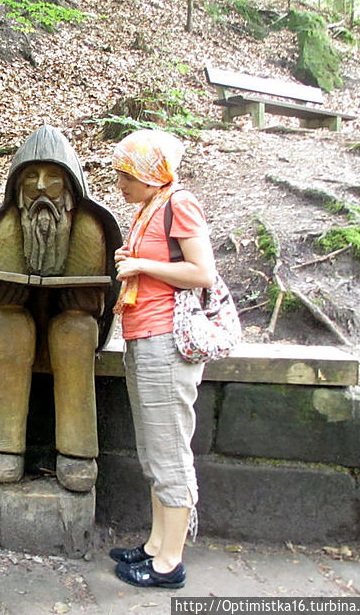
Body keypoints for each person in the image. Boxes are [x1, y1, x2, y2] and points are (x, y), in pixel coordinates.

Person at [0, 125, 122, 491]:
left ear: (70, 187)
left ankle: (77, 450)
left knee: (74, 331)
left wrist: (71, 298)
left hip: (68, 325)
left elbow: (91, 301)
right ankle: (4, 445)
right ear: (17, 186)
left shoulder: (87, 227)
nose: (40, 187)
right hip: (19, 323)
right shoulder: (6, 227)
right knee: (9, 326)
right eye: (31, 177)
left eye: (53, 178)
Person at [109, 129, 216, 589]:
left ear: (152, 173)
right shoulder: (149, 209)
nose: (120, 183)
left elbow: (201, 272)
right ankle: (155, 544)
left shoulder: (180, 203)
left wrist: (141, 265)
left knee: (169, 451)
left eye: (127, 174)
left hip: (167, 341)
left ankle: (169, 562)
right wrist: (131, 258)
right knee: (154, 451)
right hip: (143, 336)